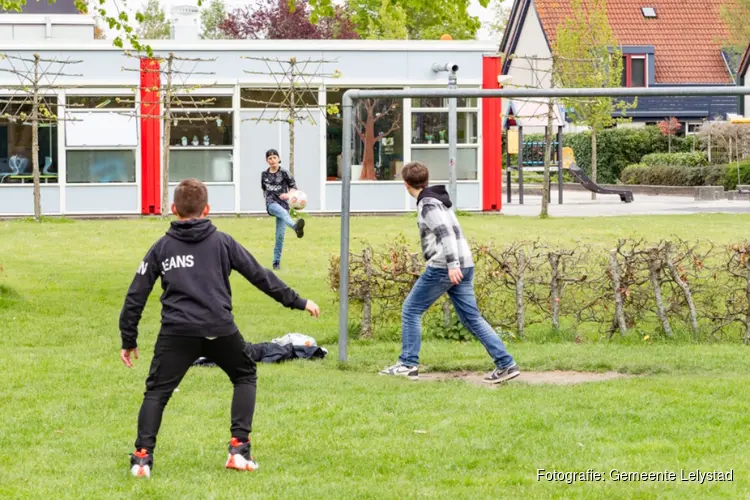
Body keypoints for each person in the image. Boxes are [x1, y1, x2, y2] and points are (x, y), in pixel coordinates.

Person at [119, 178, 320, 478]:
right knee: (244, 374)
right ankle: (239, 450)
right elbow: (260, 275)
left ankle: (142, 459)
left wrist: (128, 339)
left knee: (157, 392)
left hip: (177, 333)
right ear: (207, 209)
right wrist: (298, 301)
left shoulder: (162, 248)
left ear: (173, 209)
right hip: (219, 328)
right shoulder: (222, 242)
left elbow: (136, 294)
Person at [379, 162, 520, 384]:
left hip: (445, 266)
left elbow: (445, 235)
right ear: (426, 180)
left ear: (406, 185)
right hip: (465, 263)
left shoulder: (428, 204)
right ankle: (506, 364)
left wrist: (452, 265)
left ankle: (407, 364)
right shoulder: (438, 200)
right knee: (471, 318)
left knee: (411, 309)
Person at [261, 149, 305, 270]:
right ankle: (295, 227)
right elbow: (264, 190)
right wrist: (269, 198)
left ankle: (276, 262)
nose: (272, 160)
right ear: (267, 161)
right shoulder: (264, 175)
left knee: (280, 235)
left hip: (283, 204)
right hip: (271, 204)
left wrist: (288, 195)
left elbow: (293, 188)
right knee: (283, 213)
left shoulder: (285, 173)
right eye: (269, 158)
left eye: (274, 157)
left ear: (278, 159)